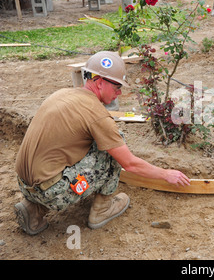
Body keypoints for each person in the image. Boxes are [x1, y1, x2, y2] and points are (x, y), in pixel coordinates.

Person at [14, 51, 190, 235]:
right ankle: (102, 209)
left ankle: (34, 209)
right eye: (117, 87)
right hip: (52, 192)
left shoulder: (62, 94)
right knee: (111, 145)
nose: (119, 92)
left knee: (91, 143)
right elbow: (129, 164)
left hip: (24, 184)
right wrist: (166, 174)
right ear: (99, 83)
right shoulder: (97, 115)